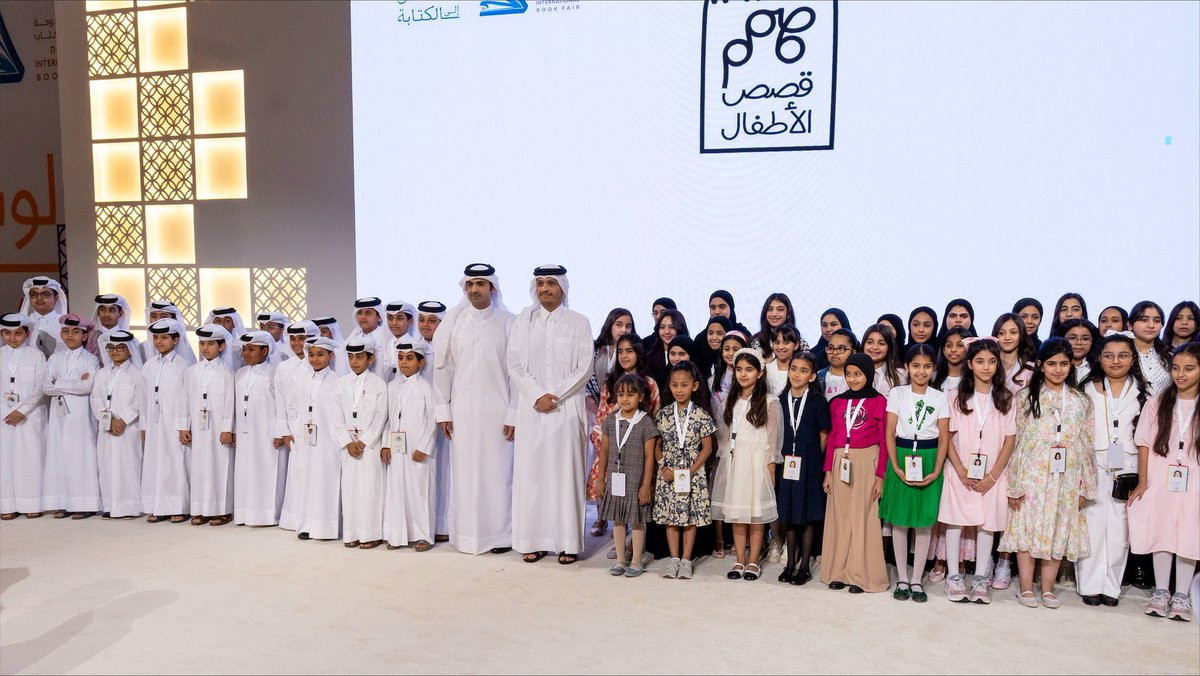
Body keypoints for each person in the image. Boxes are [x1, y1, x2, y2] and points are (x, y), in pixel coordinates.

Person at [1001, 338, 1096, 610]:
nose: (1058, 369)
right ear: (1041, 365)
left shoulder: (1081, 401)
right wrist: (1014, 483)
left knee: (1058, 528)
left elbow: (1087, 443)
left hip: (1067, 475)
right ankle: (1025, 587)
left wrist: (1085, 485)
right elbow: (1016, 442)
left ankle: (1048, 588)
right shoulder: (1025, 397)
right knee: (1027, 528)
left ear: (1071, 365)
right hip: (1032, 472)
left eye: (1064, 364)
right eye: (1052, 363)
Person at [507, 265, 593, 564]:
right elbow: (514, 364)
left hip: (566, 409)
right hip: (531, 410)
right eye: (541, 283)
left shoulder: (579, 322)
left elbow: (584, 367)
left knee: (565, 475)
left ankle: (567, 543)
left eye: (551, 283)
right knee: (533, 476)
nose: (545, 288)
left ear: (563, 288)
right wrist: (536, 395)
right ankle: (533, 540)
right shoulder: (523, 323)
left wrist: (553, 395)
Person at [432, 263, 517, 555]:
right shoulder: (454, 324)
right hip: (463, 413)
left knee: (498, 473)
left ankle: (500, 536)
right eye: (469, 285)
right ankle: (466, 535)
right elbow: (444, 370)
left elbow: (515, 374)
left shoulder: (509, 323)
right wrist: (443, 412)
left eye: (480, 284)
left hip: (498, 411)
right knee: (465, 474)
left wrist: (513, 413)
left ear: (492, 287)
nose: (474, 290)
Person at [939, 336, 1017, 602]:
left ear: (998, 365)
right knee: (955, 521)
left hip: (992, 475)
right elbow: (947, 437)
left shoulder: (1006, 398)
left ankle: (981, 578)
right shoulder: (955, 397)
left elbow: (1009, 440)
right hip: (959, 472)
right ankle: (953, 576)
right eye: (980, 361)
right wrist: (961, 471)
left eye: (992, 362)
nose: (986, 367)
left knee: (988, 524)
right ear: (970, 363)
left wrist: (993, 476)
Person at [1128, 342, 1199, 622]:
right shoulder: (1158, 401)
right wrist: (1144, 481)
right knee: (1162, 529)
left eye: (1189, 369)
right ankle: (1161, 590)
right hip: (1161, 474)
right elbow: (1144, 442)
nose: (1180, 374)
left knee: (1190, 531)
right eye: (1176, 368)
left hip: (1194, 478)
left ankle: (1181, 594)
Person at [1076, 331, 1147, 606]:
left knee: (1120, 530)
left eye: (1123, 355)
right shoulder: (1087, 388)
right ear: (1100, 358)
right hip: (1093, 461)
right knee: (1092, 525)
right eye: (1109, 355)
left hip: (1128, 464)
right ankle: (1090, 585)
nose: (1115, 361)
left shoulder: (1144, 392)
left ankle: (1111, 587)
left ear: (1133, 359)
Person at [879, 344, 949, 603]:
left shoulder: (940, 397)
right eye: (916, 366)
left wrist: (937, 469)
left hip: (928, 457)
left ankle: (917, 578)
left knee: (923, 522)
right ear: (907, 367)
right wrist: (896, 466)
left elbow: (944, 436)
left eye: (927, 366)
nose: (921, 371)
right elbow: (889, 432)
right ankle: (902, 577)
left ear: (934, 369)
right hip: (902, 455)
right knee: (899, 521)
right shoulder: (897, 393)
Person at [821, 353, 889, 593]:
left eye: (858, 374)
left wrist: (880, 476)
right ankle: (838, 571)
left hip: (866, 460)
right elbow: (832, 439)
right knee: (840, 517)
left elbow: (884, 441)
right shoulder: (837, 402)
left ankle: (860, 575)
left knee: (862, 518)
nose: (852, 379)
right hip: (841, 460)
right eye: (848, 374)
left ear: (868, 374)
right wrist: (827, 472)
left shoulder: (879, 401)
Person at [586, 334, 660, 542]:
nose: (624, 356)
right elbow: (602, 418)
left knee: (636, 494)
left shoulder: (649, 384)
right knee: (610, 486)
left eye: (629, 351)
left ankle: (633, 541)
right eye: (620, 352)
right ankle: (611, 525)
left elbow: (655, 417)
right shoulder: (610, 382)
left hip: (638, 451)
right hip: (614, 448)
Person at [653, 361, 718, 579]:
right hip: (669, 473)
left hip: (693, 472)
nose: (679, 390)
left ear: (695, 386)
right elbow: (656, 446)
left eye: (684, 385)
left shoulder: (701, 414)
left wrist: (692, 469)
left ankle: (686, 560)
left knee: (690, 516)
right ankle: (674, 558)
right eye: (675, 385)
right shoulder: (663, 414)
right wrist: (663, 466)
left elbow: (707, 448)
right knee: (671, 516)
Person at [774, 352, 830, 586]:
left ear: (812, 376)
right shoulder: (779, 399)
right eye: (794, 369)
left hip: (809, 463)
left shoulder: (818, 401)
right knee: (788, 513)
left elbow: (824, 434)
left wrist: (812, 458)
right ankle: (790, 564)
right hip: (786, 463)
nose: (797, 374)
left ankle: (804, 565)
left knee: (807, 514)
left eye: (803, 370)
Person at [596, 372, 659, 577]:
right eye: (621, 394)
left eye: (630, 394)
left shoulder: (645, 422)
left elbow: (650, 457)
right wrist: (601, 479)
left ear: (640, 397)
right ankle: (621, 560)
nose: (625, 398)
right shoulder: (611, 420)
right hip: (615, 480)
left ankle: (636, 561)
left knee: (637, 521)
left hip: (636, 481)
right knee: (618, 519)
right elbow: (604, 451)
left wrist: (646, 485)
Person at [41, 315, 101, 520]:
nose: (70, 336)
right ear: (61, 334)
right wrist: (73, 383)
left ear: (84, 336)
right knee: (60, 456)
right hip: (59, 417)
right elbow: (46, 387)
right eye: (66, 332)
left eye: (75, 332)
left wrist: (58, 382)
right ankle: (64, 502)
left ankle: (85, 504)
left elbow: (87, 386)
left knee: (81, 456)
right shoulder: (54, 358)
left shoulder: (91, 359)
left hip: (81, 415)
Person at [383, 337, 439, 550]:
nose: (404, 362)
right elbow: (387, 418)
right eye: (400, 358)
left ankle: (424, 535)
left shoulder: (426, 388)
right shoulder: (392, 386)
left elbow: (432, 421)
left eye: (409, 358)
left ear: (420, 362)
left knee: (420, 492)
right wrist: (386, 444)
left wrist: (424, 447)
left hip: (418, 449)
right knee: (398, 491)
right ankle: (398, 535)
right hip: (397, 448)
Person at [178, 324, 237, 526]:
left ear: (221, 346)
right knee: (200, 466)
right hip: (198, 428)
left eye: (210, 344)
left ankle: (222, 510)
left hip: (218, 429)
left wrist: (227, 428)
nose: (205, 348)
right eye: (202, 343)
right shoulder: (192, 371)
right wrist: (184, 426)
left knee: (220, 466)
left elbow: (230, 402)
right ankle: (201, 509)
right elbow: (185, 399)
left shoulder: (227, 372)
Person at [140, 318, 194, 523]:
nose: (159, 342)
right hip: (154, 423)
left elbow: (186, 398)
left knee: (175, 462)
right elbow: (143, 397)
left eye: (164, 337)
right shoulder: (149, 365)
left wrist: (183, 425)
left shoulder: (184, 365)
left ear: (176, 340)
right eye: (156, 337)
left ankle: (179, 507)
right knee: (155, 462)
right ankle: (157, 505)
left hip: (175, 424)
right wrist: (144, 425)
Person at [338, 339, 388, 550]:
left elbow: (381, 416)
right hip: (348, 447)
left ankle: (371, 533)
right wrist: (347, 441)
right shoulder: (340, 383)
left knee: (370, 489)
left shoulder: (379, 384)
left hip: (370, 446)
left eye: (359, 357)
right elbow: (335, 417)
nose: (354, 361)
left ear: (371, 358)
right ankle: (351, 532)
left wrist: (364, 441)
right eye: (350, 357)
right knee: (350, 489)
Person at [232, 331, 287, 526]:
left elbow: (281, 404)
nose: (246, 353)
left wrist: (280, 432)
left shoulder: (274, 372)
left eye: (252, 349)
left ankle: (267, 515)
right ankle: (246, 513)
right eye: (244, 349)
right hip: (245, 432)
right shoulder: (240, 373)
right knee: (246, 471)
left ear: (265, 351)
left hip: (267, 433)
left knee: (267, 471)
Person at [295, 336, 347, 541]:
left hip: (328, 441)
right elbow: (296, 408)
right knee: (306, 479)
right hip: (306, 440)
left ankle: (325, 527)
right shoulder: (303, 379)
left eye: (320, 355)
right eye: (311, 355)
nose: (315, 359)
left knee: (326, 480)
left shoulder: (337, 381)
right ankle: (306, 524)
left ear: (331, 356)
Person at [90, 330, 145, 518]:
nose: (114, 352)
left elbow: (139, 401)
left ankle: (130, 508)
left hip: (128, 429)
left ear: (129, 350)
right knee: (107, 465)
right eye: (111, 348)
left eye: (120, 348)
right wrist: (107, 420)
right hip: (106, 428)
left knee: (129, 466)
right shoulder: (102, 373)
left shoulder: (138, 373)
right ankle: (110, 506)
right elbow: (95, 398)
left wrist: (122, 421)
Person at [1, 313, 48, 519]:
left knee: (30, 458)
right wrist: (6, 411)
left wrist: (21, 410)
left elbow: (41, 386)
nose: (12, 338)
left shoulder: (37, 355)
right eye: (7, 333)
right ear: (2, 334)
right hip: (3, 417)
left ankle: (32, 503)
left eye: (17, 333)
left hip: (30, 415)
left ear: (26, 334)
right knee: (5, 460)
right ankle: (7, 506)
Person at [276, 320, 318, 531]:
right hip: (293, 428)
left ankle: (316, 518)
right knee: (297, 473)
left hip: (317, 428)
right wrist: (284, 431)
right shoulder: (283, 367)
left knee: (316, 473)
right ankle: (295, 519)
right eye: (292, 338)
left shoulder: (318, 363)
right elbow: (280, 402)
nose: (295, 343)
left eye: (301, 338)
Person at [416, 300, 450, 543]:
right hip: (417, 420)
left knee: (444, 471)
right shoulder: (412, 348)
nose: (425, 325)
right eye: (422, 320)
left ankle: (444, 524)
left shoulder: (447, 347)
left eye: (432, 321)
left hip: (443, 418)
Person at [1130, 301, 1172, 395]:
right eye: (1144, 320)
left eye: (1156, 321)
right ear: (1130, 325)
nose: (1151, 325)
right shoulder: (1122, 355)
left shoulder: (1170, 356)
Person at [18, 276, 68, 357]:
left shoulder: (66, 325)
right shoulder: (23, 324)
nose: (39, 298)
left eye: (45, 294)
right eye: (34, 294)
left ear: (55, 298)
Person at [751, 293, 809, 360]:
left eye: (780, 309)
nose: (774, 314)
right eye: (770, 309)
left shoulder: (801, 344)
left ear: (788, 314)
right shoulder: (756, 342)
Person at [346, 297, 392, 380]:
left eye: (368, 313)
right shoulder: (352, 338)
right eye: (359, 313)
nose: (363, 317)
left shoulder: (388, 338)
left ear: (379, 317)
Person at [646, 309, 688, 395]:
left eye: (672, 327)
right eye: (662, 327)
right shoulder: (650, 355)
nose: (667, 332)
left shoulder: (689, 352)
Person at [993, 312, 1035, 389]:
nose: (1007, 337)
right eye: (1001, 333)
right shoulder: (988, 367)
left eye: (1013, 332)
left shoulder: (1031, 369)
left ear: (1021, 335)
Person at [862, 323, 905, 395]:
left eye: (881, 343)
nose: (875, 347)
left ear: (890, 347)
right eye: (870, 342)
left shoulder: (900, 375)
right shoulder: (852, 371)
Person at [1056, 317, 1101, 382]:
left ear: (1093, 341)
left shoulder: (1100, 369)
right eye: (1072, 338)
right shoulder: (1050, 368)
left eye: (1085, 339)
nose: (1079, 343)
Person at [382, 300, 417, 380]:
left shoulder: (416, 346)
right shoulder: (384, 344)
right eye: (390, 318)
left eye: (399, 318)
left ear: (410, 321)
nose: (394, 323)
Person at [818, 328, 858, 400]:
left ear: (853, 352)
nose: (835, 352)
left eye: (841, 349)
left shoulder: (859, 379)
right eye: (831, 348)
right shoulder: (818, 377)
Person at [91, 294, 133, 361]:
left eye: (111, 310)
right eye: (102, 310)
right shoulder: (89, 338)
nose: (106, 314)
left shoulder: (130, 341)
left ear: (121, 313)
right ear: (98, 313)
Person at [765, 324, 802, 397]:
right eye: (777, 342)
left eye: (786, 343)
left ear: (796, 345)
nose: (780, 347)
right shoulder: (765, 370)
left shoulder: (801, 371)